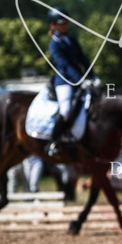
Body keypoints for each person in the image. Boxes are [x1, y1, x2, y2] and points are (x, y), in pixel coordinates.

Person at [46, 9, 92, 156]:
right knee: (65, 110)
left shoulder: (71, 40)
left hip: (79, 79)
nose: (65, 25)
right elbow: (63, 64)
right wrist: (80, 80)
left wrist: (93, 75)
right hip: (64, 81)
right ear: (53, 25)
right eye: (62, 23)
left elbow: (82, 59)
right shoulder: (54, 44)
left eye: (66, 22)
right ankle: (54, 141)